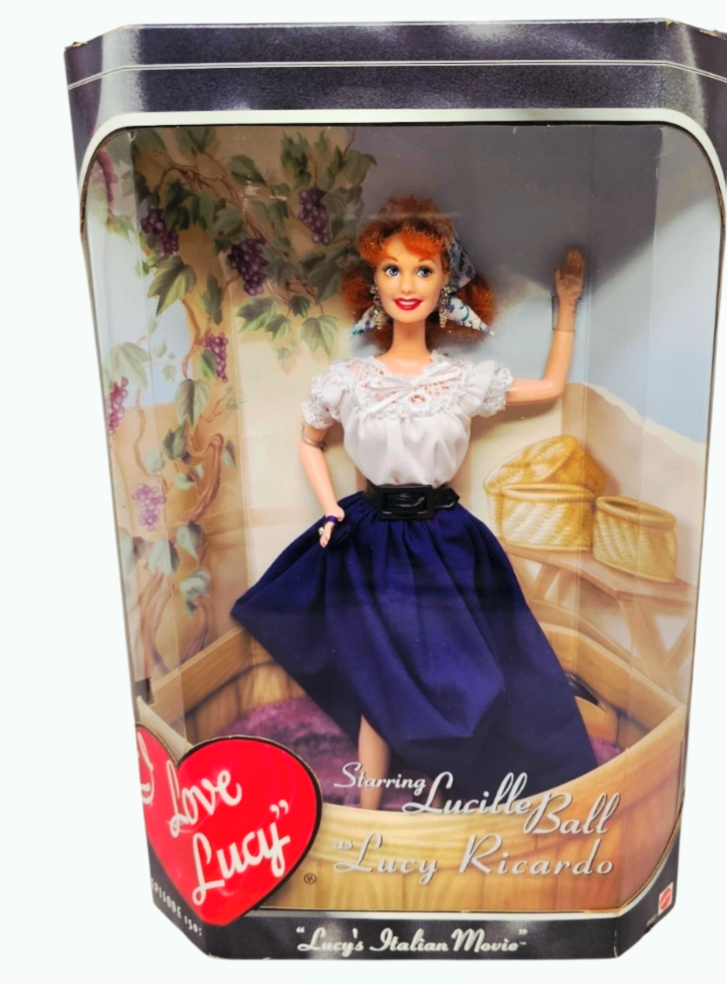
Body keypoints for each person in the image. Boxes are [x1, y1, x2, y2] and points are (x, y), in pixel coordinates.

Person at [230, 195, 597, 810]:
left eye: (423, 270)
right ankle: (371, 812)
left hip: (444, 538)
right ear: (372, 282)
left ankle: (465, 788)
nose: (407, 284)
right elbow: (309, 440)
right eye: (392, 269)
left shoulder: (461, 381)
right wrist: (330, 507)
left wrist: (566, 306)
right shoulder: (349, 381)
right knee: (383, 677)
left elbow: (552, 387)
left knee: (475, 674)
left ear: (445, 283)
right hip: (371, 538)